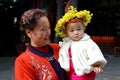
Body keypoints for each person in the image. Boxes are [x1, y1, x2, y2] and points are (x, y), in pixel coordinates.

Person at [55, 6, 107, 80]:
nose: (76, 33)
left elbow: (94, 53)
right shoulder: (66, 44)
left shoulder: (87, 42)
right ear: (66, 32)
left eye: (79, 29)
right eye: (72, 30)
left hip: (83, 72)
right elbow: (62, 55)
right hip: (70, 71)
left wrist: (96, 65)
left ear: (83, 29)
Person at [14, 8, 68, 80]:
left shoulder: (59, 48)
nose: (48, 33)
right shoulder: (23, 61)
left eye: (49, 28)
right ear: (29, 33)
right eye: (43, 29)